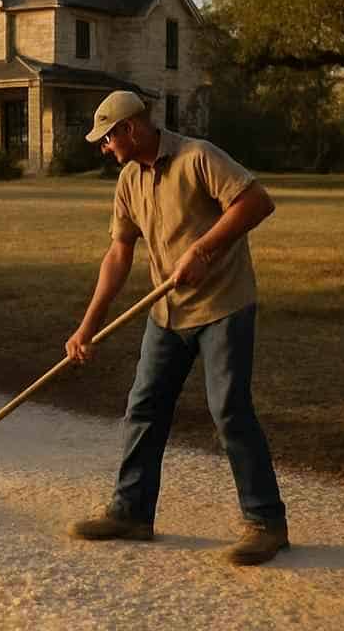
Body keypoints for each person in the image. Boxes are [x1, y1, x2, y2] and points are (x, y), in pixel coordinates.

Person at [64, 90, 288, 566]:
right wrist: (86, 327)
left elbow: (257, 203)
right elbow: (119, 255)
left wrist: (204, 251)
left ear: (129, 129)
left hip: (224, 305)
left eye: (107, 138)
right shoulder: (128, 179)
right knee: (143, 406)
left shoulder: (198, 156)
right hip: (166, 314)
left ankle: (266, 523)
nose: (103, 147)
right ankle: (131, 513)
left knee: (229, 409)